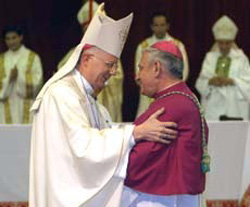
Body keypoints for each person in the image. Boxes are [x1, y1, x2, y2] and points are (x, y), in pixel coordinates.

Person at [29, 4, 178, 207]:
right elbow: (83, 146)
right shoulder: (62, 94)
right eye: (110, 64)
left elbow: (104, 133)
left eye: (115, 64)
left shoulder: (88, 98)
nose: (114, 71)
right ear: (87, 59)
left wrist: (136, 132)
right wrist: (135, 133)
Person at [122, 41, 210, 207]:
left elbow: (141, 158)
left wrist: (106, 159)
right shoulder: (181, 98)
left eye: (141, 68)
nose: (137, 76)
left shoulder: (170, 107)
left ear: (156, 68)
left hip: (159, 199)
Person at [58, 0, 124, 122]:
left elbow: (117, 77)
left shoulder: (110, 54)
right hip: (80, 107)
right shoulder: (74, 53)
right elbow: (62, 75)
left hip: (104, 104)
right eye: (87, 31)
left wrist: (101, 79)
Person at [195, 15, 250, 121]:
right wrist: (211, 81)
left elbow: (248, 82)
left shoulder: (241, 58)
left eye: (227, 43)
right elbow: (200, 82)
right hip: (213, 105)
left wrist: (232, 81)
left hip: (235, 105)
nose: (224, 46)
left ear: (232, 42)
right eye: (221, 42)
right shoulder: (210, 57)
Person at [135, 12, 189, 117]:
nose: (159, 28)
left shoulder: (177, 45)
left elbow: (183, 71)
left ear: (167, 26)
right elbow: (139, 72)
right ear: (151, 27)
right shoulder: (143, 46)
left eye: (162, 25)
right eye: (156, 25)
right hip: (148, 96)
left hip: (171, 94)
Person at [0, 25, 43, 124]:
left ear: (20, 37)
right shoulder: (2, 59)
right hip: (5, 105)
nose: (11, 42)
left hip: (26, 104)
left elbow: (38, 82)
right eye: (8, 39)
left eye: (14, 38)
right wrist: (9, 79)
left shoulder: (32, 57)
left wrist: (19, 77)